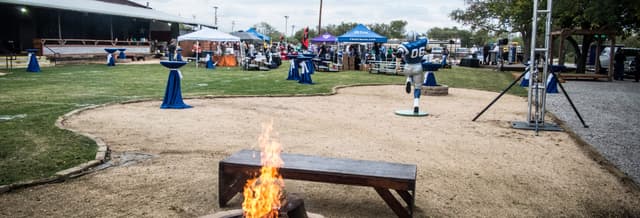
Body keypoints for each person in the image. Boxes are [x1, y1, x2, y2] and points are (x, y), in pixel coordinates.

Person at [396, 37, 428, 113]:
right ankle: (416, 104)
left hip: (408, 66)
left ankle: (408, 80)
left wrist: (397, 65)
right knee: (417, 87)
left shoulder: (406, 46)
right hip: (418, 66)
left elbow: (399, 53)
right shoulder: (423, 41)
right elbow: (429, 49)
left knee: (409, 74)